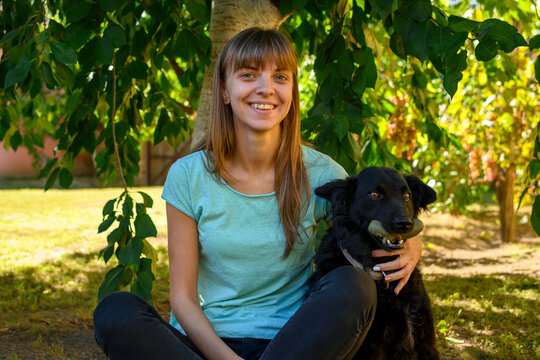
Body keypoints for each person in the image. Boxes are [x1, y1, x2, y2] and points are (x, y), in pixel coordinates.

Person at [93, 27, 423, 360]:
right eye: (249, 75)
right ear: (224, 90)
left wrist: (414, 243)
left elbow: (377, 213)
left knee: (354, 287)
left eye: (280, 77)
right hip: (204, 347)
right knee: (115, 310)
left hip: (296, 344)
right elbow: (183, 299)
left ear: (291, 90)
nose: (266, 89)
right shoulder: (189, 175)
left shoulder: (321, 174)